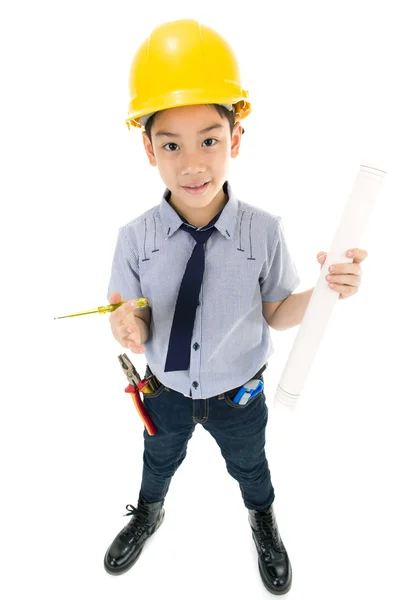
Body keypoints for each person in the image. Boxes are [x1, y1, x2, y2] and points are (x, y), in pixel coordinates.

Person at [103, 19, 368, 595]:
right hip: (165, 391)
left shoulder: (264, 232)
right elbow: (132, 315)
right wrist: (126, 324)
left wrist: (324, 291)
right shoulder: (134, 239)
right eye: (170, 144)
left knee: (251, 466)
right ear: (148, 148)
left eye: (209, 140)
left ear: (236, 138)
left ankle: (263, 521)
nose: (192, 163)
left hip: (239, 395)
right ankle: (149, 511)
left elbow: (277, 312)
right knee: (157, 458)